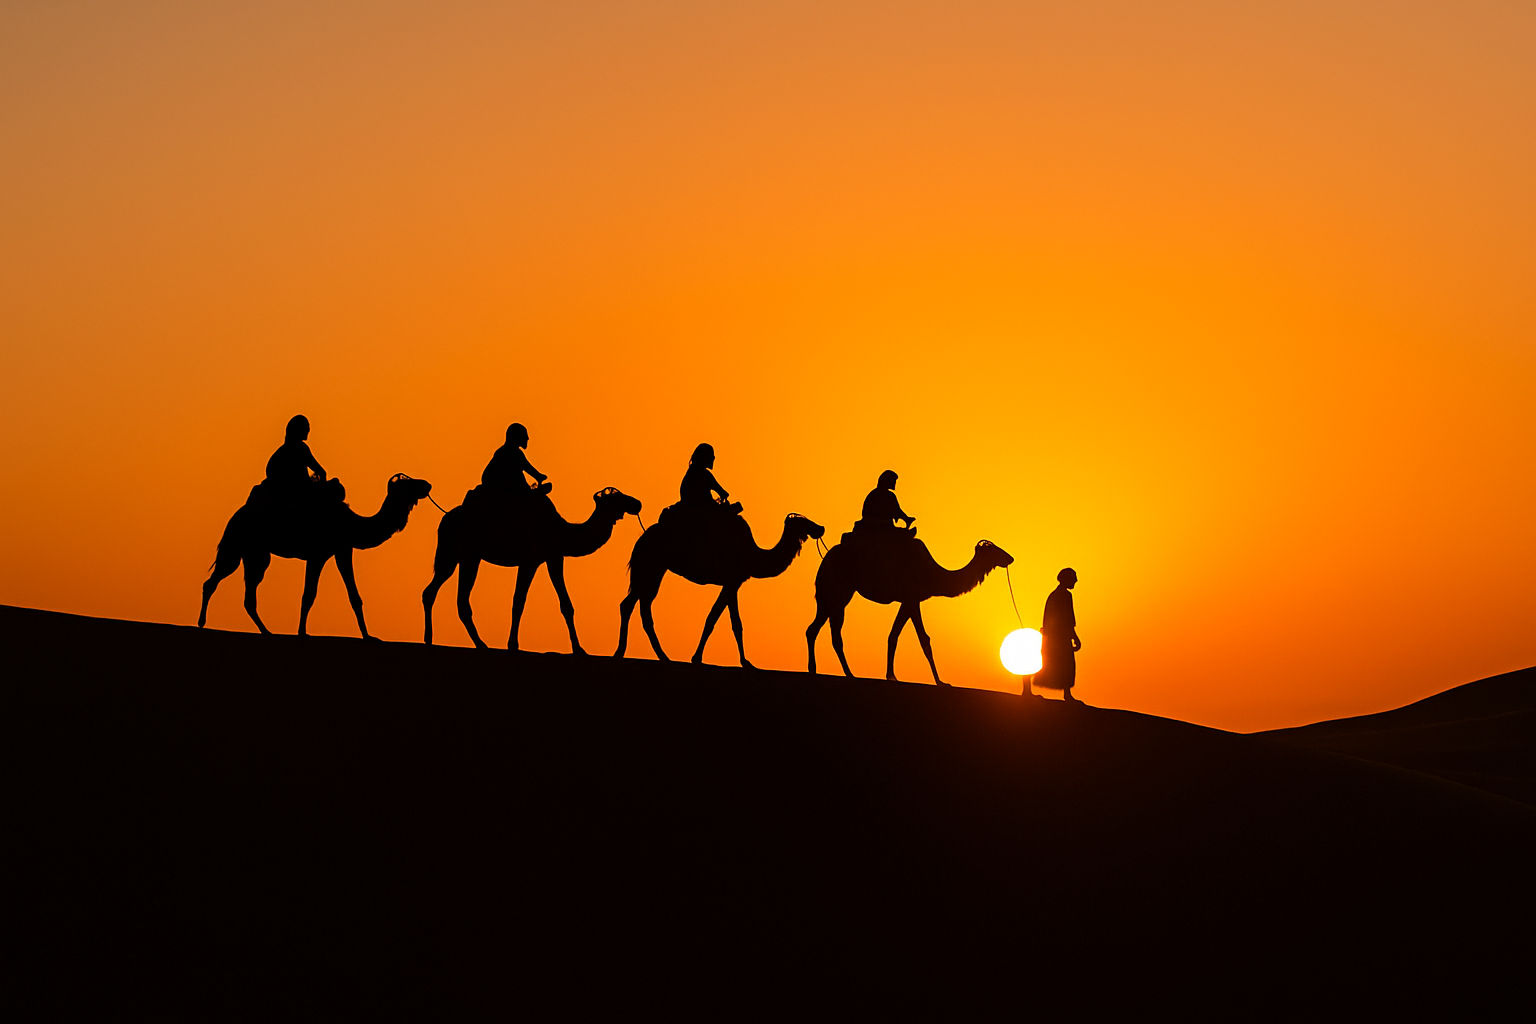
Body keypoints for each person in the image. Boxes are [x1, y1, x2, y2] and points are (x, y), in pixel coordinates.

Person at [1033, 568, 1082, 700]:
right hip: (1059, 639)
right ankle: (1067, 694)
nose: (1076, 580)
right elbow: (1067, 619)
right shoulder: (1064, 596)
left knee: (1061, 665)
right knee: (1065, 665)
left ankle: (1067, 694)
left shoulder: (1054, 595)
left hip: (1055, 638)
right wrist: (1074, 637)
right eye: (1073, 577)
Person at [264, 415, 327, 494]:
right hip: (293, 488)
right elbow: (320, 471)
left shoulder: (285, 450)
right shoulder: (300, 448)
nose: (308, 430)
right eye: (306, 427)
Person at [482, 423, 548, 497]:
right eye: (524, 435)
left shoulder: (512, 452)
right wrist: (538, 477)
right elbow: (526, 468)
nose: (527, 438)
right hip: (498, 484)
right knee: (516, 473)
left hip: (498, 482)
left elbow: (527, 466)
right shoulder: (510, 453)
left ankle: (527, 491)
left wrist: (538, 476)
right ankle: (527, 492)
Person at [680, 443, 739, 515]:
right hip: (704, 509)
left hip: (692, 508)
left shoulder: (690, 473)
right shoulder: (705, 475)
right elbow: (722, 492)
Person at [855, 470, 915, 536]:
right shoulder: (886, 496)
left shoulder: (876, 494)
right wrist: (906, 518)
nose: (895, 483)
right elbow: (896, 510)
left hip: (879, 525)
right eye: (893, 481)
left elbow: (897, 510)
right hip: (878, 526)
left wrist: (906, 518)